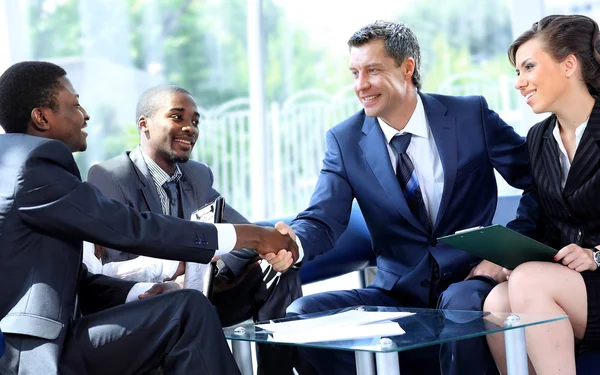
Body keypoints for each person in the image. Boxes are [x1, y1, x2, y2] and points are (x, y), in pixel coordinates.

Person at [268, 20, 536, 375]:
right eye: (355, 73)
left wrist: (504, 254)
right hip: (395, 295)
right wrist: (294, 242)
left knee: (460, 304)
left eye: (372, 70)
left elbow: (539, 182)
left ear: (407, 68)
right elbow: (323, 217)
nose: (360, 85)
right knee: (301, 315)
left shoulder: (469, 116)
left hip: (469, 281)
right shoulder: (345, 140)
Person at [0, 61, 298, 375]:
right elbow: (131, 227)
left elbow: (78, 282)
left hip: (61, 338)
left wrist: (139, 292)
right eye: (74, 104)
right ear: (41, 117)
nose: (85, 114)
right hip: (36, 356)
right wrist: (253, 236)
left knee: (183, 305)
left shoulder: (18, 164)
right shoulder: (34, 165)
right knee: (186, 312)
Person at [87, 85, 302, 374]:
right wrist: (169, 274)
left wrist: (268, 252)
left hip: (200, 291)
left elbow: (241, 231)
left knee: (279, 272)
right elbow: (111, 267)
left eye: (195, 121)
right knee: (186, 305)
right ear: (144, 124)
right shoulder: (110, 176)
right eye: (177, 117)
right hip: (151, 300)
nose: (190, 128)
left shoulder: (197, 174)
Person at [484, 14, 600, 375]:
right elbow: (540, 219)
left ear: (569, 65)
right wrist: (508, 254)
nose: (520, 83)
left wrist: (597, 254)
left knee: (529, 282)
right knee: (497, 300)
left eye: (529, 67)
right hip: (574, 282)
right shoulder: (538, 139)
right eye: (517, 72)